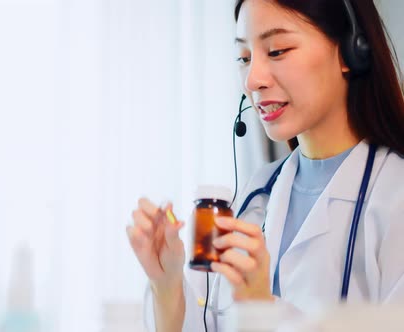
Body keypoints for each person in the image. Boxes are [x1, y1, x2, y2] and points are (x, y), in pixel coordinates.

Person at [126, 0, 404, 331]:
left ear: (349, 51)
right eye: (244, 58)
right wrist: (167, 285)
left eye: (277, 51)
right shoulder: (256, 196)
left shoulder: (393, 195)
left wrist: (261, 308)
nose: (252, 80)